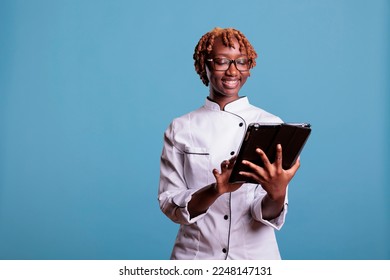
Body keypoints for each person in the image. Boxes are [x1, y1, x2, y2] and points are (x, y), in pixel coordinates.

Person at [158, 27, 301, 260]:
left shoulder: (272, 125)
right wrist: (216, 190)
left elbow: (263, 212)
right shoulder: (181, 128)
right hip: (195, 258)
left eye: (241, 61)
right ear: (204, 64)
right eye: (222, 61)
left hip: (255, 260)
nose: (233, 71)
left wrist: (277, 193)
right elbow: (169, 203)